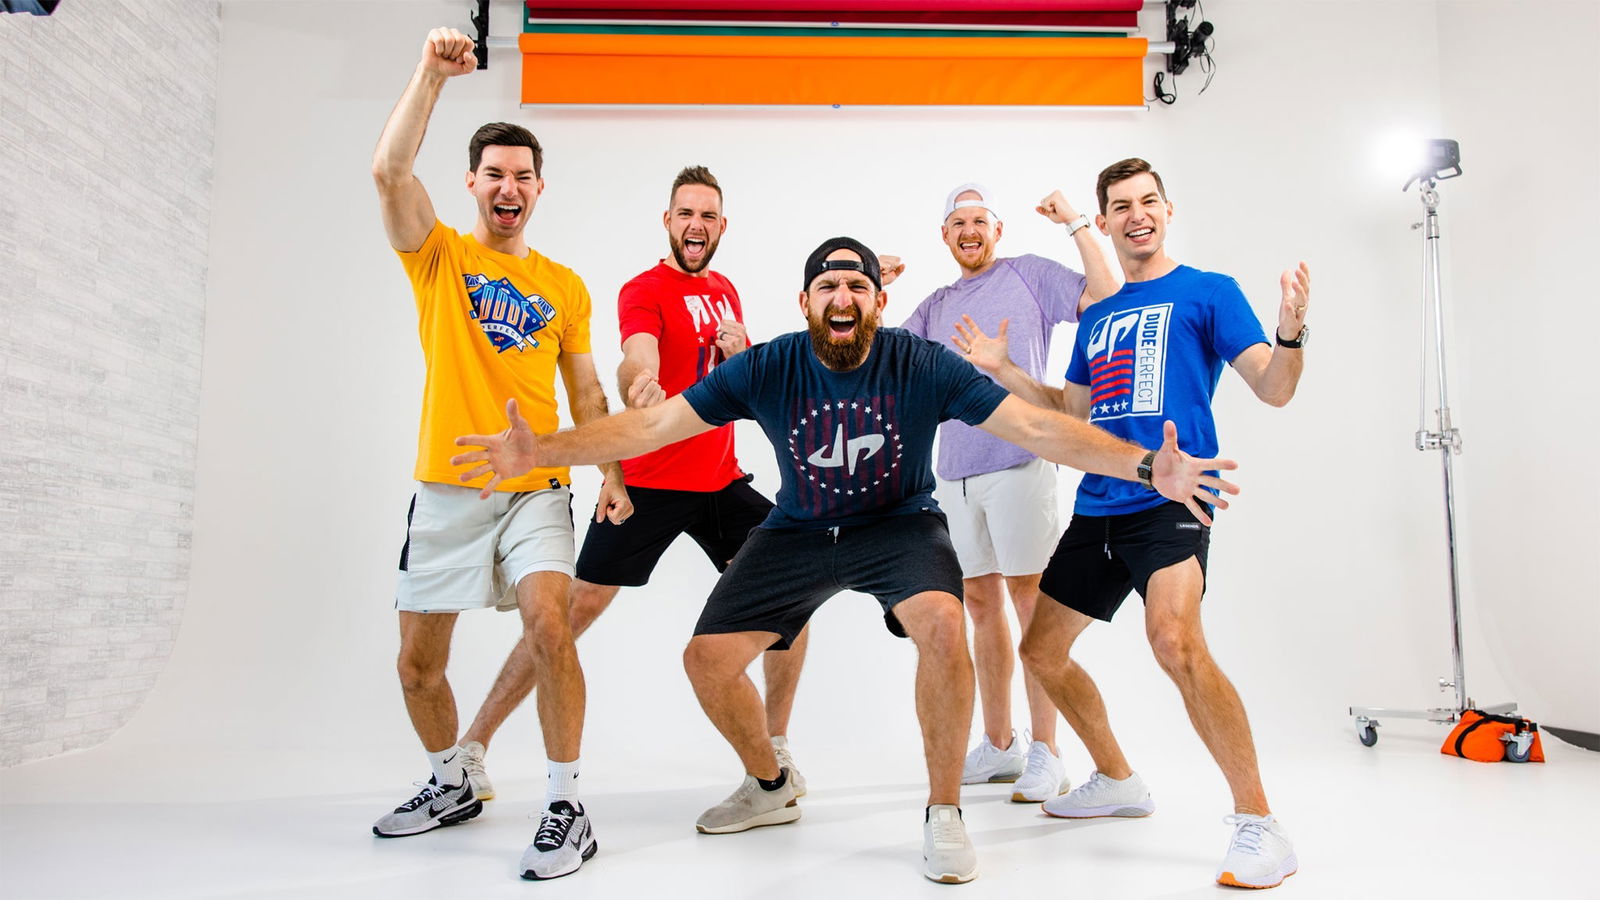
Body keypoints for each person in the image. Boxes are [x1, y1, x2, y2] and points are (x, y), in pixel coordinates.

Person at [451, 236, 1240, 885]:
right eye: (828, 285)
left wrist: (1145, 466)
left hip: (899, 525)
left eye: (858, 285)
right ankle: (770, 784)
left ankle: (943, 813)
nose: (843, 296)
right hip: (798, 529)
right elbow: (652, 427)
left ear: (878, 302)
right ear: (804, 302)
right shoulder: (768, 365)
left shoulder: (919, 363)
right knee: (705, 661)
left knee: (945, 624)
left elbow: (1036, 429)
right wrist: (541, 449)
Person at [952, 158, 1309, 890]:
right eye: (1121, 205)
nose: (1136, 214)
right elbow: (1072, 412)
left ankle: (1260, 824)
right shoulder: (1099, 315)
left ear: (1167, 211)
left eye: (1148, 201)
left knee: (1174, 642)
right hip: (1099, 505)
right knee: (1040, 651)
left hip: (1172, 500)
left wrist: (1291, 333)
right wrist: (1004, 369)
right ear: (1106, 221)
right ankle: (1117, 779)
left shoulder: (1209, 291)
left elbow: (1273, 389)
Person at [450, 165, 813, 796]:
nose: (696, 225)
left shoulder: (726, 289)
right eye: (685, 214)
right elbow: (635, 354)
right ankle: (472, 747)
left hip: (721, 481)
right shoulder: (644, 289)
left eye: (707, 216)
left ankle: (774, 746)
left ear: (721, 226)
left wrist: (744, 353)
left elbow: (747, 384)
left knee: (792, 598)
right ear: (668, 221)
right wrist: (638, 384)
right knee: (568, 614)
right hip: (651, 483)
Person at [368, 27, 624, 882]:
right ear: (472, 184)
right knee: (417, 667)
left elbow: (586, 391)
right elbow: (389, 173)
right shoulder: (439, 257)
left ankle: (566, 806)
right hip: (447, 489)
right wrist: (431, 77)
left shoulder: (565, 285)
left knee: (550, 623)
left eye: (522, 176)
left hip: (535, 485)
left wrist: (611, 472)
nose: (508, 187)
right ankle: (452, 781)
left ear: (538, 189)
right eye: (494, 174)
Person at [890, 182, 1117, 802]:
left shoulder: (1028, 275)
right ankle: (999, 744)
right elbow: (881, 361)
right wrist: (873, 287)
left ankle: (1047, 751)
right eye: (958, 222)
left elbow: (1105, 295)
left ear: (997, 230)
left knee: (1030, 602)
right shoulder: (936, 305)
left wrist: (1075, 222)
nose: (969, 231)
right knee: (980, 605)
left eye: (980, 221)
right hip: (955, 474)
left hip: (1019, 462)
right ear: (944, 235)